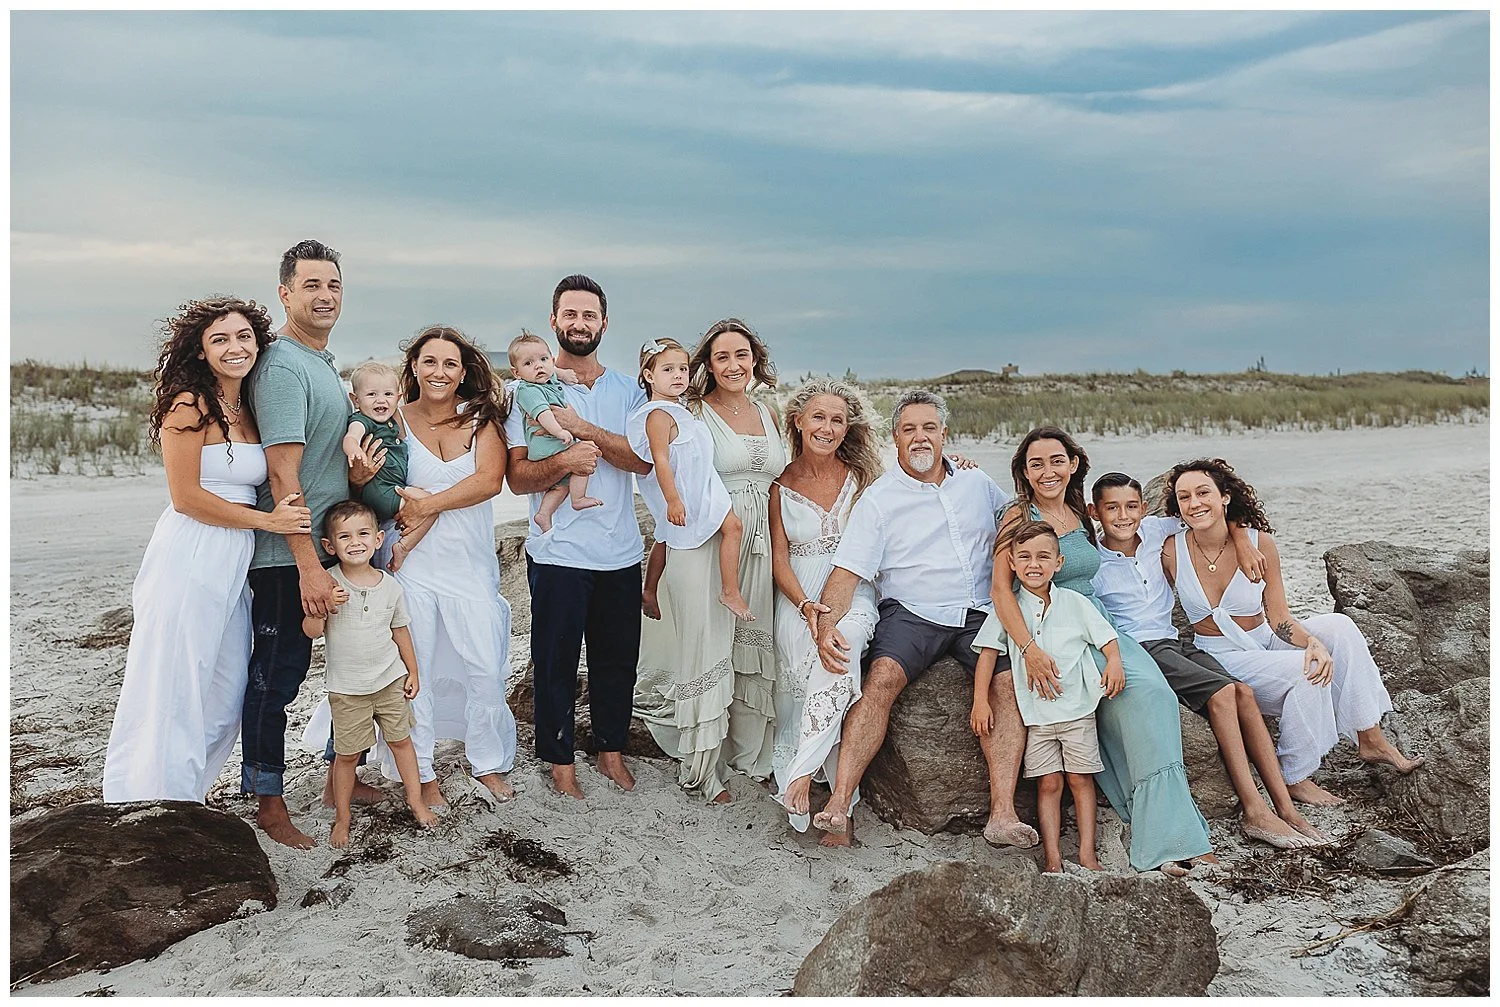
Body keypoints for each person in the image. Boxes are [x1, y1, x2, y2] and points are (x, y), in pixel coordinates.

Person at [103, 297, 310, 803]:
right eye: (220, 339)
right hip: (190, 551)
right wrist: (269, 521)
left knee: (224, 686)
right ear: (200, 350)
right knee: (176, 679)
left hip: (235, 556)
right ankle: (150, 799)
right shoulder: (189, 404)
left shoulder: (250, 408)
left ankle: (188, 793)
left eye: (244, 337)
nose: (235, 347)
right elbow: (186, 497)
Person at [811, 390, 1037, 850]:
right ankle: (838, 803)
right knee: (882, 678)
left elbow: (1017, 517)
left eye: (929, 428)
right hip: (914, 612)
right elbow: (847, 571)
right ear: (894, 437)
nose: (920, 437)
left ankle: (1002, 815)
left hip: (979, 610)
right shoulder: (879, 500)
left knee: (1008, 684)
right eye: (909, 429)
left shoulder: (974, 483)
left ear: (944, 434)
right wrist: (825, 626)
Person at [993, 426, 1212, 876]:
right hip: (1053, 632)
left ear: (1073, 464)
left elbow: (1170, 526)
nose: (1048, 471)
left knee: (1156, 693)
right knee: (1137, 698)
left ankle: (1170, 825)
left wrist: (1244, 545)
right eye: (1036, 463)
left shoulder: (1078, 510)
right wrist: (1030, 649)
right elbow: (1000, 589)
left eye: (1057, 461)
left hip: (1096, 622)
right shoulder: (1018, 515)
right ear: (1024, 472)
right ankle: (1164, 837)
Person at [1161, 458, 1422, 806]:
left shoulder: (1260, 543)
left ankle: (1369, 737)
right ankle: (1295, 774)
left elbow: (1280, 618)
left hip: (1265, 640)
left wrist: (1313, 642)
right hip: (1219, 656)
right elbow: (1123, 531)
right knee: (1308, 672)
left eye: (1203, 492)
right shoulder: (1168, 549)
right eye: (1184, 497)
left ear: (1224, 497)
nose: (1194, 503)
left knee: (1338, 627)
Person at [1089, 472, 1327, 848]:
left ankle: (1285, 806)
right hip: (1143, 649)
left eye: (1131, 506)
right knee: (1222, 694)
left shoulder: (1154, 532)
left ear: (1144, 508)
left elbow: (1211, 515)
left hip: (1175, 640)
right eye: (1111, 509)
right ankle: (1254, 810)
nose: (1123, 516)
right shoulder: (1095, 561)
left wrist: (1243, 543)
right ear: (1094, 512)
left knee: (1244, 693)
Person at [241, 239, 386, 849]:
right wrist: (306, 565)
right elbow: (283, 477)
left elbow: (325, 462)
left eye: (333, 286)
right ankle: (267, 800)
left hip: (333, 548)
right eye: (311, 286)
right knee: (278, 678)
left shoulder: (322, 363)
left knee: (351, 670)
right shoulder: (279, 366)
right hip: (287, 560)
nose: (325, 296)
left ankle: (336, 780)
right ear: (285, 293)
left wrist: (356, 482)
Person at [503, 275, 648, 800]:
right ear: (554, 320)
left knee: (617, 661)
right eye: (571, 315)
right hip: (558, 552)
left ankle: (610, 752)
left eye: (590, 316)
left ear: (604, 323)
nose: (580, 324)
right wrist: (566, 459)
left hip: (620, 551)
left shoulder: (629, 390)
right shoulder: (526, 390)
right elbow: (516, 477)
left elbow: (642, 460)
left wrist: (583, 430)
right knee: (555, 660)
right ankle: (560, 762)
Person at [634, 318, 787, 802]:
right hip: (706, 537)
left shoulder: (772, 411)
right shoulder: (690, 411)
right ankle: (702, 768)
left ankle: (745, 755)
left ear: (755, 359)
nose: (733, 365)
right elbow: (657, 465)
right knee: (708, 646)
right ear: (707, 364)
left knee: (752, 644)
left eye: (741, 354)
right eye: (721, 356)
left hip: (762, 541)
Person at [381, 325, 519, 805]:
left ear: (463, 373)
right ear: (415, 366)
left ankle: (488, 761)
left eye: (450, 364)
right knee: (413, 671)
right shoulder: (393, 417)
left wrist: (427, 504)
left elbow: (487, 482)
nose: (439, 372)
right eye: (430, 362)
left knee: (484, 666)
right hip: (409, 564)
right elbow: (379, 485)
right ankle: (421, 771)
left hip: (470, 564)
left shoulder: (480, 420)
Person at [766, 378, 883, 843]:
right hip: (798, 596)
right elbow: (778, 559)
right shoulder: (779, 485)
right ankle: (828, 802)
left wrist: (957, 463)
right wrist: (804, 605)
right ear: (798, 421)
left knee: (840, 650)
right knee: (803, 688)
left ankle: (811, 780)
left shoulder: (865, 480)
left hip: (853, 592)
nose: (828, 427)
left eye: (837, 419)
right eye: (818, 416)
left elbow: (921, 474)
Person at [971, 520, 1123, 873]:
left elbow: (1106, 638)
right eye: (1024, 557)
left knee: (1081, 780)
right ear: (1010, 562)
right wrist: (981, 700)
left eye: (1043, 556)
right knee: (1050, 783)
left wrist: (1114, 662)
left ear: (1059, 563)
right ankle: (1052, 858)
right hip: (1036, 717)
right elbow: (988, 656)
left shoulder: (1075, 603)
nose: (1033, 564)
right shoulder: (1008, 611)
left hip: (1078, 711)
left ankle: (1087, 855)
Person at [301, 501, 436, 847]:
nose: (355, 542)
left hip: (390, 681)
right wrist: (326, 604)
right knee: (346, 756)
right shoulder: (327, 583)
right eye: (344, 536)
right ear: (330, 546)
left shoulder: (390, 586)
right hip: (347, 689)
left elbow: (401, 631)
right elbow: (311, 631)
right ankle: (343, 818)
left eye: (363, 534)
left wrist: (413, 672)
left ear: (378, 539)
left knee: (401, 742)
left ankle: (416, 801)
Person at [632, 338, 753, 622]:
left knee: (664, 537)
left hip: (698, 480)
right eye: (668, 370)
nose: (678, 375)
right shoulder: (658, 415)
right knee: (732, 526)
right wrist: (673, 500)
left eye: (683, 369)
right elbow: (660, 458)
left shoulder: (680, 407)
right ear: (649, 377)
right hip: (681, 487)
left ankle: (649, 590)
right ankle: (730, 589)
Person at [341, 360, 435, 572]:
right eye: (372, 395)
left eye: (388, 395)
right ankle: (403, 546)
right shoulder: (362, 421)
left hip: (390, 487)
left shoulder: (391, 422)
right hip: (380, 490)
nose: (380, 400)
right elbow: (350, 437)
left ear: (398, 398)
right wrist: (354, 449)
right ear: (355, 400)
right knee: (432, 505)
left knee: (427, 501)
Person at [507, 331, 598, 534]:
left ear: (552, 360)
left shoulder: (547, 380)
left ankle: (544, 514)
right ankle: (579, 498)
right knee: (584, 454)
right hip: (548, 444)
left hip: (550, 445)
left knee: (560, 486)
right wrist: (561, 432)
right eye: (528, 364)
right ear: (516, 373)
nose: (538, 366)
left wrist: (563, 373)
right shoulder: (528, 390)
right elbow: (543, 414)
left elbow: (551, 371)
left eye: (543, 359)